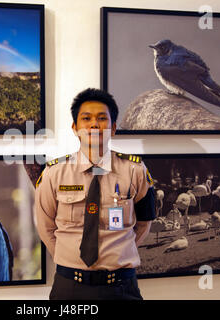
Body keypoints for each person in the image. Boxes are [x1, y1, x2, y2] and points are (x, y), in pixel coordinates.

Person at [35, 88, 156, 300]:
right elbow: (46, 227)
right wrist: (71, 260)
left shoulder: (135, 170)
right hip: (69, 287)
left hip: (121, 287)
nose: (94, 125)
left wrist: (119, 252)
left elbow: (144, 223)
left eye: (102, 119)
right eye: (86, 118)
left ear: (114, 128)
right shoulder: (54, 173)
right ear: (74, 127)